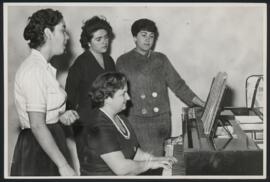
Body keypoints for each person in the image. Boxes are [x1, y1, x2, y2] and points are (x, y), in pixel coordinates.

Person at [116, 19, 204, 158]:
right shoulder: (123, 61)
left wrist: (203, 104)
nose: (148, 40)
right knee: (143, 164)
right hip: (137, 122)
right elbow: (118, 94)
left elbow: (179, 85)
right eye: (143, 35)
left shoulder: (161, 59)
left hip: (161, 122)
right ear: (134, 37)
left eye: (151, 36)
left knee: (159, 163)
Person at [11, 9, 80, 176]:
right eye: (62, 30)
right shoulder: (34, 70)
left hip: (48, 143)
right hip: (39, 148)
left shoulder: (44, 68)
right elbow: (37, 125)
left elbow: (43, 116)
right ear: (48, 33)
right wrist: (63, 166)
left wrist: (60, 115)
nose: (67, 37)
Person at [79, 72, 177, 175]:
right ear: (107, 98)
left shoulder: (120, 117)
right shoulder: (98, 126)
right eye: (123, 94)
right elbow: (122, 169)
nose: (128, 97)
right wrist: (149, 164)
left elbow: (134, 152)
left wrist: (158, 160)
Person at [65, 16, 116, 144]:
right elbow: (69, 101)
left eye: (106, 37)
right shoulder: (80, 64)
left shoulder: (109, 61)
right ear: (88, 42)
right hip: (87, 125)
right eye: (99, 39)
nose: (104, 42)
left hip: (108, 121)